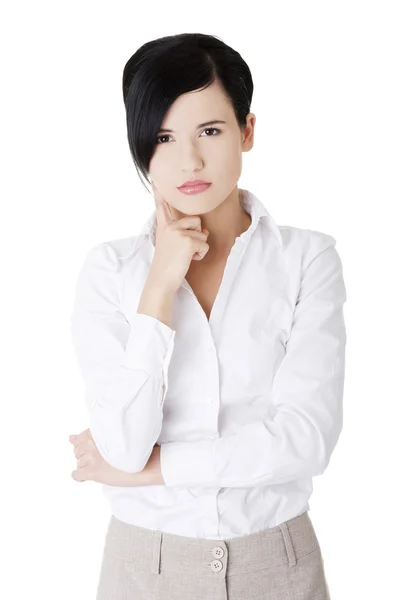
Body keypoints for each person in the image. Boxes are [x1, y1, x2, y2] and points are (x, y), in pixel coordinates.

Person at [69, 32, 346, 600]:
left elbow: (305, 442)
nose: (188, 161)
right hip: (144, 569)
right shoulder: (111, 271)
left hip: (278, 564)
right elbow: (120, 446)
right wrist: (160, 284)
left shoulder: (306, 260)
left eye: (210, 131)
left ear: (247, 131)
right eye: (164, 137)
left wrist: (149, 471)